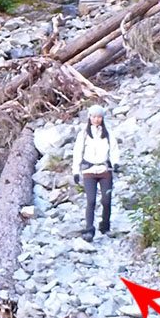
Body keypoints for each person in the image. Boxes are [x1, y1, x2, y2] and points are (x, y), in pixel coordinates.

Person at [71, 104, 120, 242]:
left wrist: (115, 163)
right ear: (89, 117)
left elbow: (114, 149)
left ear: (102, 118)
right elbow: (77, 152)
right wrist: (76, 171)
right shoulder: (84, 134)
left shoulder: (108, 133)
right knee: (91, 200)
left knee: (106, 200)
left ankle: (105, 226)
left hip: (105, 170)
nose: (96, 119)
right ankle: (89, 229)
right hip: (89, 171)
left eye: (99, 117)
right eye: (93, 116)